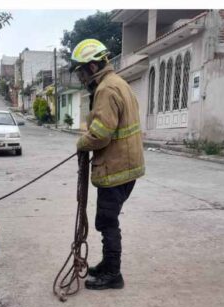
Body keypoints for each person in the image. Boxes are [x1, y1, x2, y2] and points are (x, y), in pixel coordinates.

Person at [70, 39, 145, 290]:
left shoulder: (105, 90)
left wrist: (82, 143)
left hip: (117, 169)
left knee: (106, 221)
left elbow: (101, 134)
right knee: (107, 219)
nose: (80, 77)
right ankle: (108, 264)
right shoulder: (119, 83)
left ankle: (113, 274)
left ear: (92, 67)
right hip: (126, 166)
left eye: (81, 71)